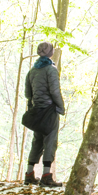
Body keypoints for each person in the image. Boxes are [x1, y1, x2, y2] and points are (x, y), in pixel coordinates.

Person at [24, 41, 66, 187]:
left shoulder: (32, 71)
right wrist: (61, 107)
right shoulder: (51, 69)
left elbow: (28, 94)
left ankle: (29, 174)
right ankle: (46, 176)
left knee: (37, 141)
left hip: (36, 110)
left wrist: (32, 108)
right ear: (50, 53)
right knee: (50, 141)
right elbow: (55, 91)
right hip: (49, 110)